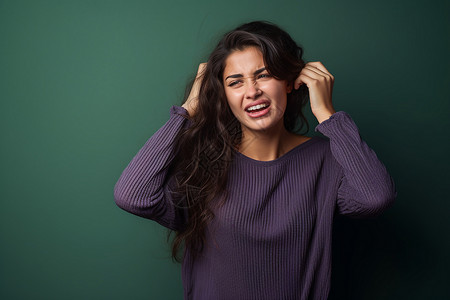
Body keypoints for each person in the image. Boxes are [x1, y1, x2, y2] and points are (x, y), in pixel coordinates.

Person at [114, 21, 396, 300]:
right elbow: (132, 197)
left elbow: (375, 198)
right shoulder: (204, 164)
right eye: (235, 82)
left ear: (289, 82)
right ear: (223, 95)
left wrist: (327, 113)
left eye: (263, 75)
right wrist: (188, 110)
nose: (252, 91)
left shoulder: (327, 159)